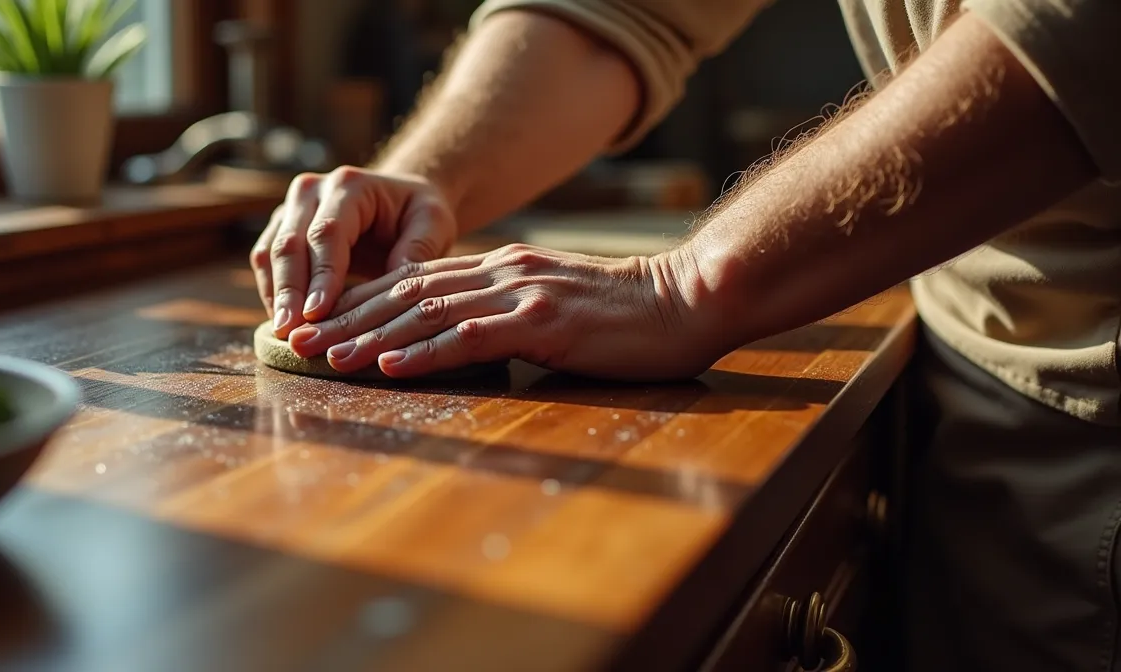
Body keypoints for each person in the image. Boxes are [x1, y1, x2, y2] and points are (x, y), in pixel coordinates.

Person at [251, 1, 1120, 670]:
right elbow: (626, 12)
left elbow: (1071, 33)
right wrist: (427, 177)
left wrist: (686, 286)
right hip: (978, 379)